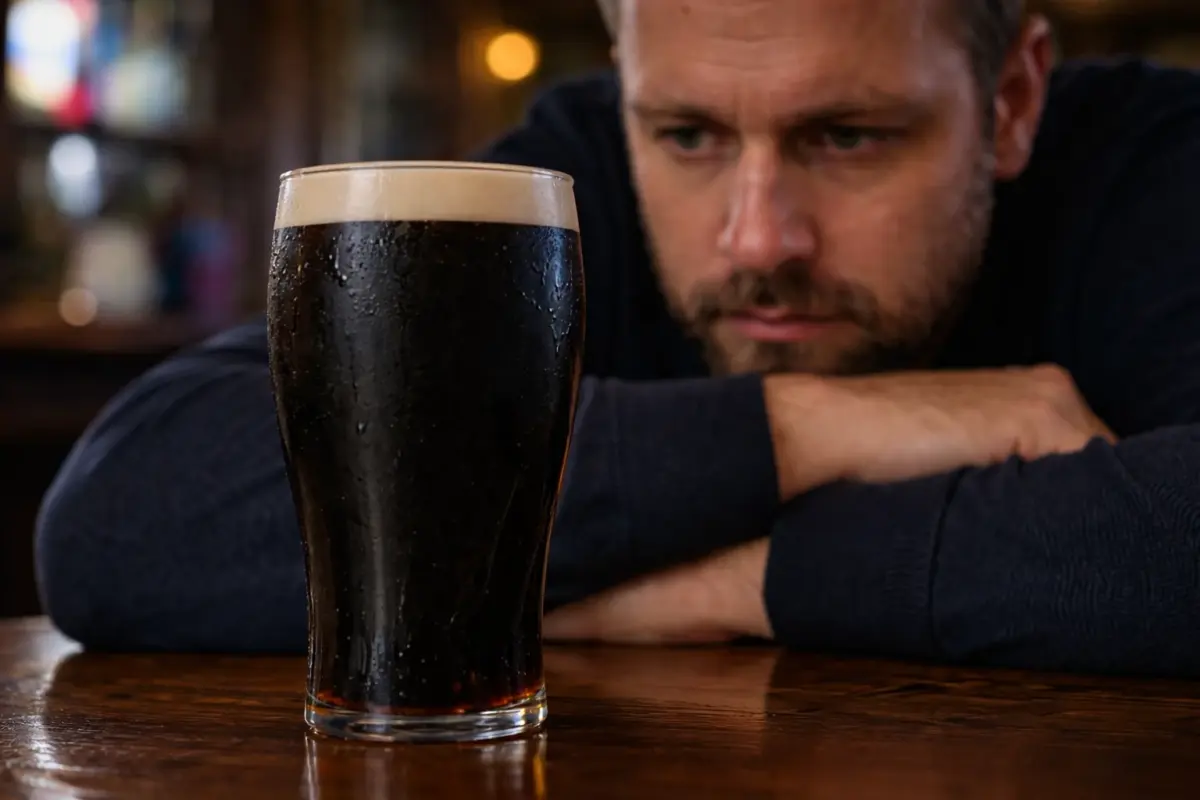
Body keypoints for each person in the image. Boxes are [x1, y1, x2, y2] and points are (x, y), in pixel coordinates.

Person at [34, 0, 1200, 675]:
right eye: (686, 134)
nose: (757, 240)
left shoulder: (1152, 169)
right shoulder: (566, 178)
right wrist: (811, 426)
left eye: (847, 136)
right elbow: (122, 518)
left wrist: (706, 580)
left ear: (1010, 103)